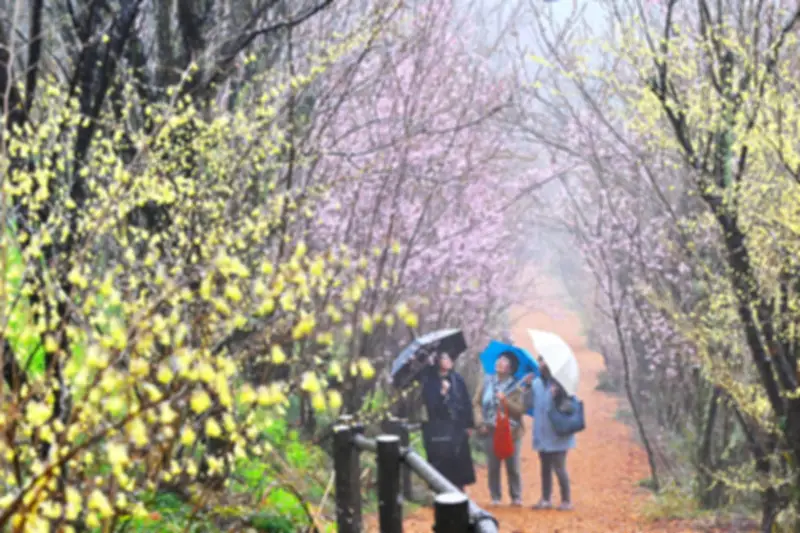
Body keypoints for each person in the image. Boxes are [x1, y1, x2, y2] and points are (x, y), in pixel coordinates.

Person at [523, 355, 576, 511]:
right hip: (542, 432)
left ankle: (566, 500)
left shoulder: (562, 383)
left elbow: (571, 407)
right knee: (544, 467)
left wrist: (559, 395)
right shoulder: (537, 383)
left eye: (544, 360)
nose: (541, 364)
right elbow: (527, 404)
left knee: (559, 467)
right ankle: (545, 499)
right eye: (540, 361)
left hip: (558, 433)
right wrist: (526, 387)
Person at [473, 352, 525, 506]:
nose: (499, 362)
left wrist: (505, 400)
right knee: (493, 466)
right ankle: (495, 496)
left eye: (503, 361)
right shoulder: (487, 382)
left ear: (510, 368)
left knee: (512, 465)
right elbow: (476, 403)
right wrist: (480, 422)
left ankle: (516, 496)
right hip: (490, 429)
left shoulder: (516, 387)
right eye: (498, 360)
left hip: (512, 432)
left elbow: (520, 410)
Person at [420, 352, 476, 492]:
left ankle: (459, 489)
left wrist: (469, 424)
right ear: (438, 361)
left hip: (457, 426)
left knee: (459, 460)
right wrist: (442, 393)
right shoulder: (430, 382)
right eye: (445, 358)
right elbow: (431, 406)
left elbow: (466, 401)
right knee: (442, 460)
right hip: (440, 428)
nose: (449, 361)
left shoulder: (457, 379)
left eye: (450, 357)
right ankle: (441, 491)